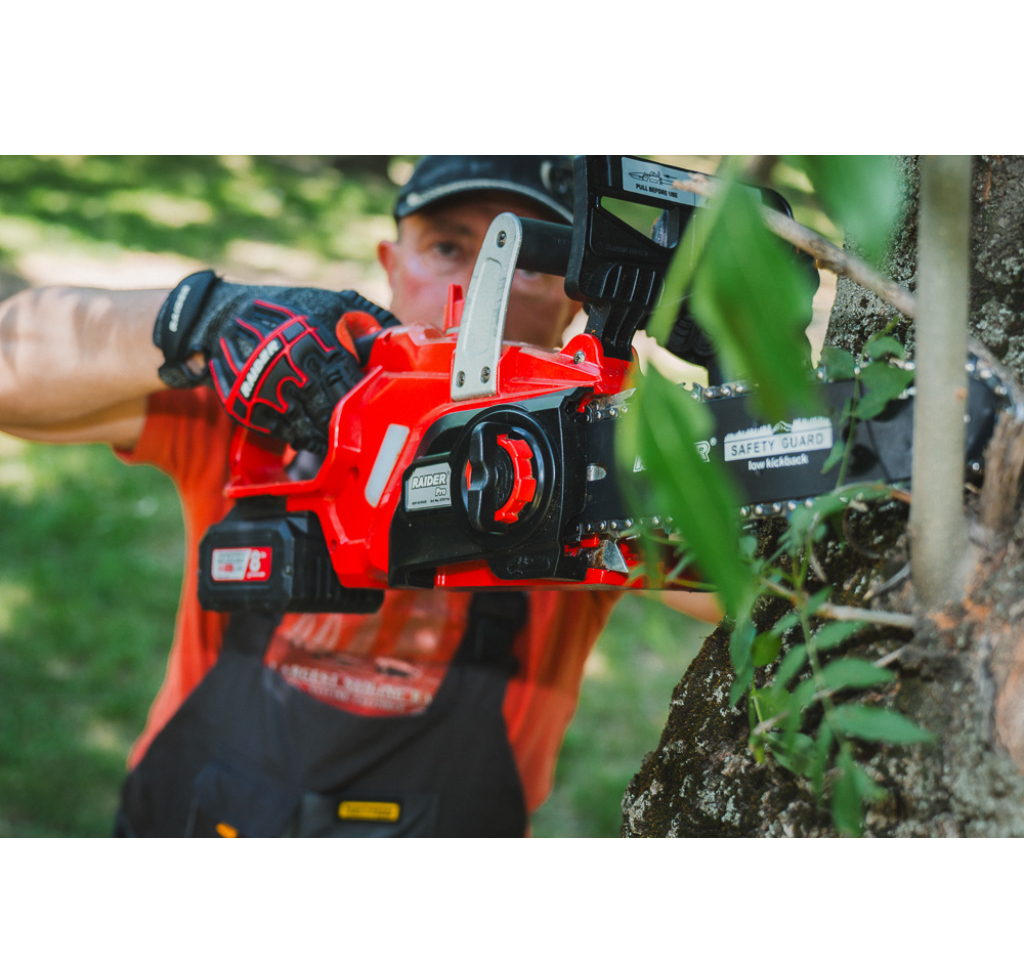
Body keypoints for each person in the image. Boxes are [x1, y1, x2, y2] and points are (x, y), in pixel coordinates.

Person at [0, 156, 718, 837]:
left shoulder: (596, 452)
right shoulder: (268, 392)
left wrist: (738, 359)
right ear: (391, 264)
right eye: (446, 246)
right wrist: (206, 321)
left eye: (525, 263)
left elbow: (743, 585)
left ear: (576, 295)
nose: (479, 281)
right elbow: (14, 370)